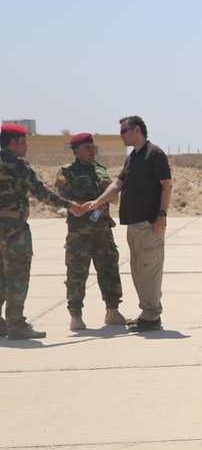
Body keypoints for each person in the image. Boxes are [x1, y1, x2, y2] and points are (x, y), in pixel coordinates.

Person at [87, 116, 173, 331]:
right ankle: (147, 313)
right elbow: (119, 183)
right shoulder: (133, 157)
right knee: (138, 271)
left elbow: (167, 185)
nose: (121, 135)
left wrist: (162, 215)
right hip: (133, 224)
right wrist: (98, 202)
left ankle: (152, 316)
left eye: (124, 131)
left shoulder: (155, 154)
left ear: (136, 130)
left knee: (149, 271)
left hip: (149, 224)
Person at [0, 122, 85, 339]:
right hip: (14, 232)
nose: (26, 146)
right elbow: (41, 193)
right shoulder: (19, 167)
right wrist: (70, 205)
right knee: (17, 276)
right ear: (12, 143)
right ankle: (16, 324)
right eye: (23, 142)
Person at [55, 133, 126, 330]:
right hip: (79, 232)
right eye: (88, 147)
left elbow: (114, 200)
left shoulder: (101, 171)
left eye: (93, 147)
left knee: (109, 269)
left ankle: (113, 310)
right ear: (76, 151)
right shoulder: (66, 173)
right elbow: (60, 200)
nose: (92, 150)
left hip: (102, 230)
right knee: (77, 272)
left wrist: (108, 193)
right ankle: (76, 315)